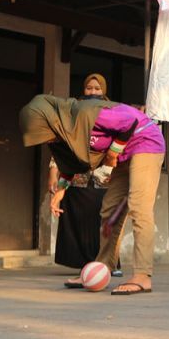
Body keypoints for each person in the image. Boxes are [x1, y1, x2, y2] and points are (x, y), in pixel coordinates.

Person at [20, 93, 164, 295]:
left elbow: (130, 122)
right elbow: (71, 165)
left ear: (49, 120)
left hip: (145, 141)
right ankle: (102, 268)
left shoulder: (86, 113)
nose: (47, 138)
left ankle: (142, 275)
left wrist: (113, 153)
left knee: (139, 207)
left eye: (44, 132)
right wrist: (60, 191)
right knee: (109, 210)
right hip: (124, 155)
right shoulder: (63, 134)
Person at [48, 73, 119, 278]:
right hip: (76, 175)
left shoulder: (112, 111)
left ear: (103, 90)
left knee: (105, 220)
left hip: (105, 176)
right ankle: (84, 263)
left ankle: (109, 261)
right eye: (89, 88)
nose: (93, 92)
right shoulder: (74, 112)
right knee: (78, 219)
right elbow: (63, 144)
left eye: (97, 89)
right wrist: (53, 171)